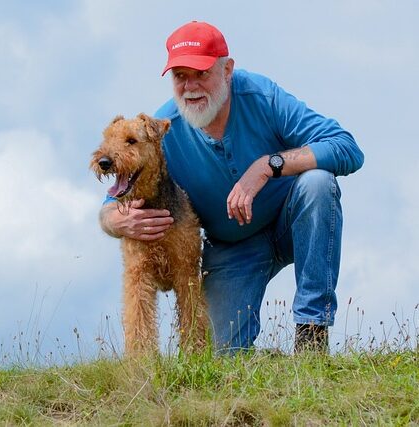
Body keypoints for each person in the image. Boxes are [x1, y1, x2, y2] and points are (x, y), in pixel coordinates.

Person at [99, 21, 364, 353]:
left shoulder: (263, 96)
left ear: (227, 70)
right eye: (180, 76)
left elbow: (346, 148)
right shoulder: (163, 129)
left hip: (290, 221)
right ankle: (266, 360)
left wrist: (269, 165)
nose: (191, 87)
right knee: (218, 355)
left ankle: (312, 333)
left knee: (318, 184)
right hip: (232, 249)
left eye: (201, 73)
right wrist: (114, 221)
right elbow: (111, 200)